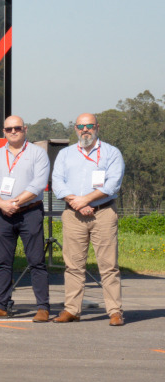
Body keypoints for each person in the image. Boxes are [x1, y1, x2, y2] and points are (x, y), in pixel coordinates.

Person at [52, 113, 126, 325]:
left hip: (103, 212)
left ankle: (115, 311)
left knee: (108, 265)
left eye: (89, 126)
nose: (85, 130)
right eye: (81, 126)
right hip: (73, 214)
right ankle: (72, 310)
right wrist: (76, 202)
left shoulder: (111, 153)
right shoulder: (65, 154)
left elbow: (113, 184)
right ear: (75, 129)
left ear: (97, 127)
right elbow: (57, 182)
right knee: (73, 266)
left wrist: (86, 199)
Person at [0, 116, 52, 321]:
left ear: (25, 129)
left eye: (17, 128)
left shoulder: (37, 153)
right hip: (3, 214)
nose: (13, 131)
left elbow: (39, 184)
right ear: (3, 131)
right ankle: (0, 305)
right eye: (9, 129)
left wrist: (15, 203)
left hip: (30, 212)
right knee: (2, 262)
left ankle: (43, 307)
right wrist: (2, 204)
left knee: (36, 261)